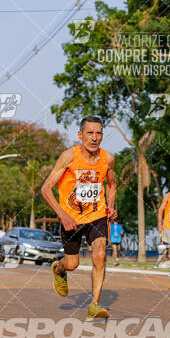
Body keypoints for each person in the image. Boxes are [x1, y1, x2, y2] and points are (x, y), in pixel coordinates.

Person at [41, 115, 117, 320]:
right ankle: (58, 269)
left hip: (97, 215)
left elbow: (111, 185)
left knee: (100, 255)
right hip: (71, 219)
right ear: (80, 135)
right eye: (90, 133)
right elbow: (46, 188)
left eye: (98, 133)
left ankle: (94, 304)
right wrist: (62, 215)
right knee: (72, 264)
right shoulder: (69, 157)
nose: (94, 137)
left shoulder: (108, 159)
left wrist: (110, 207)